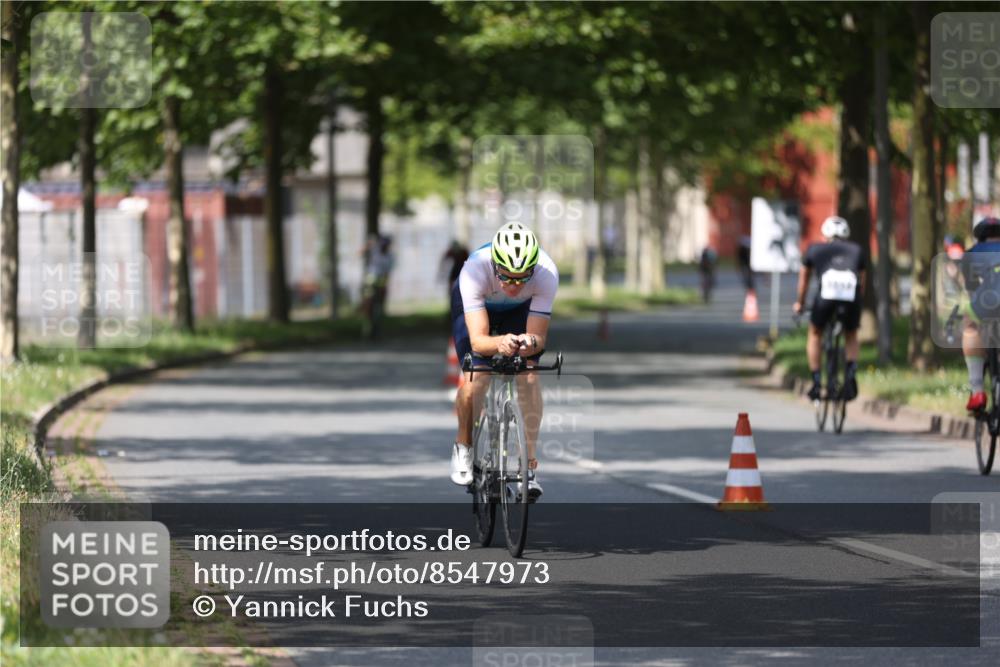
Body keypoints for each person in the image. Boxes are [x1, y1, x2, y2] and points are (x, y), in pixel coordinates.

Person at [449, 222, 558, 499]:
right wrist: (500, 343)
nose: (514, 284)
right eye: (507, 277)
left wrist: (530, 342)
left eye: (522, 278)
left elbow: (538, 339)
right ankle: (463, 445)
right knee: (477, 376)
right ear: (495, 265)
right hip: (476, 305)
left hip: (520, 311)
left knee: (530, 373)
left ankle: (529, 467)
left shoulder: (546, 274)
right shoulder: (475, 269)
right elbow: (479, 341)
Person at [792, 216, 866, 402]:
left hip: (826, 298)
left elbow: (804, 280)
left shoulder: (815, 249)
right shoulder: (857, 250)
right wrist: (858, 304)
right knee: (851, 334)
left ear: (825, 235)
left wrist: (800, 303)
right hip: (851, 299)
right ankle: (850, 373)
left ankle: (816, 382)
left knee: (815, 333)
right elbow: (861, 281)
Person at [961, 217, 1000, 412]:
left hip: (988, 304)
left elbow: (972, 290)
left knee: (970, 325)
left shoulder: (971, 254)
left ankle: (977, 390)